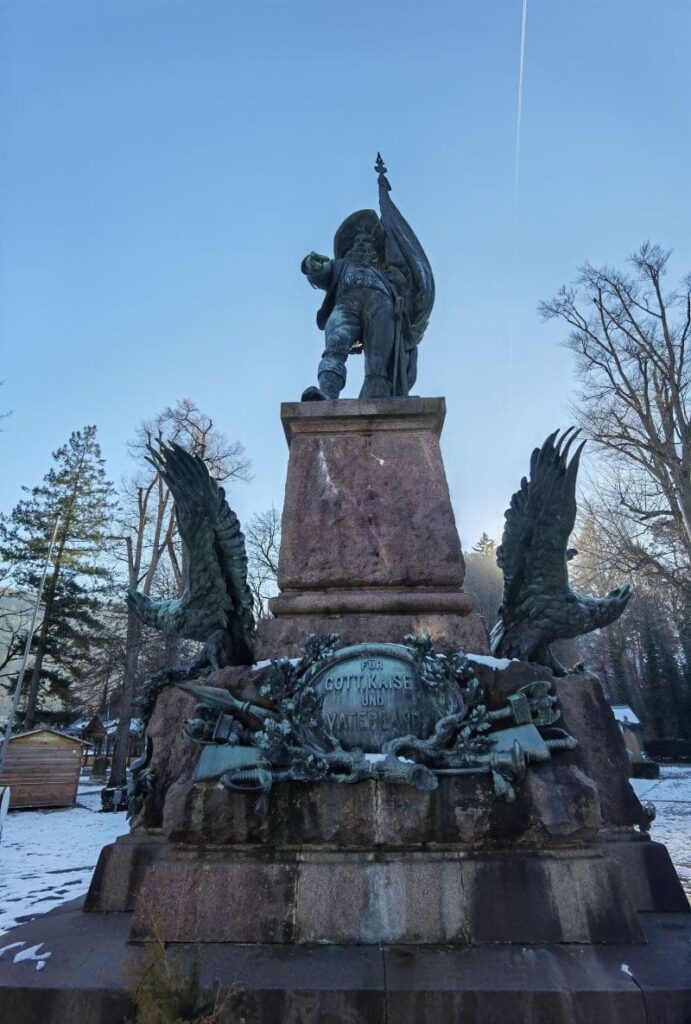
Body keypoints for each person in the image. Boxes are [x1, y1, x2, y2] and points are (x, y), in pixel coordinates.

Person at [300, 156, 434, 402]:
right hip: (345, 304)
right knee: (334, 347)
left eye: (367, 240)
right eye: (358, 241)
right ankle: (327, 393)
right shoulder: (341, 265)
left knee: (378, 361)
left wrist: (401, 284)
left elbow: (404, 286)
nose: (362, 243)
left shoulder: (384, 271)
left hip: (381, 306)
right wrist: (313, 266)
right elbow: (321, 273)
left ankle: (379, 401)